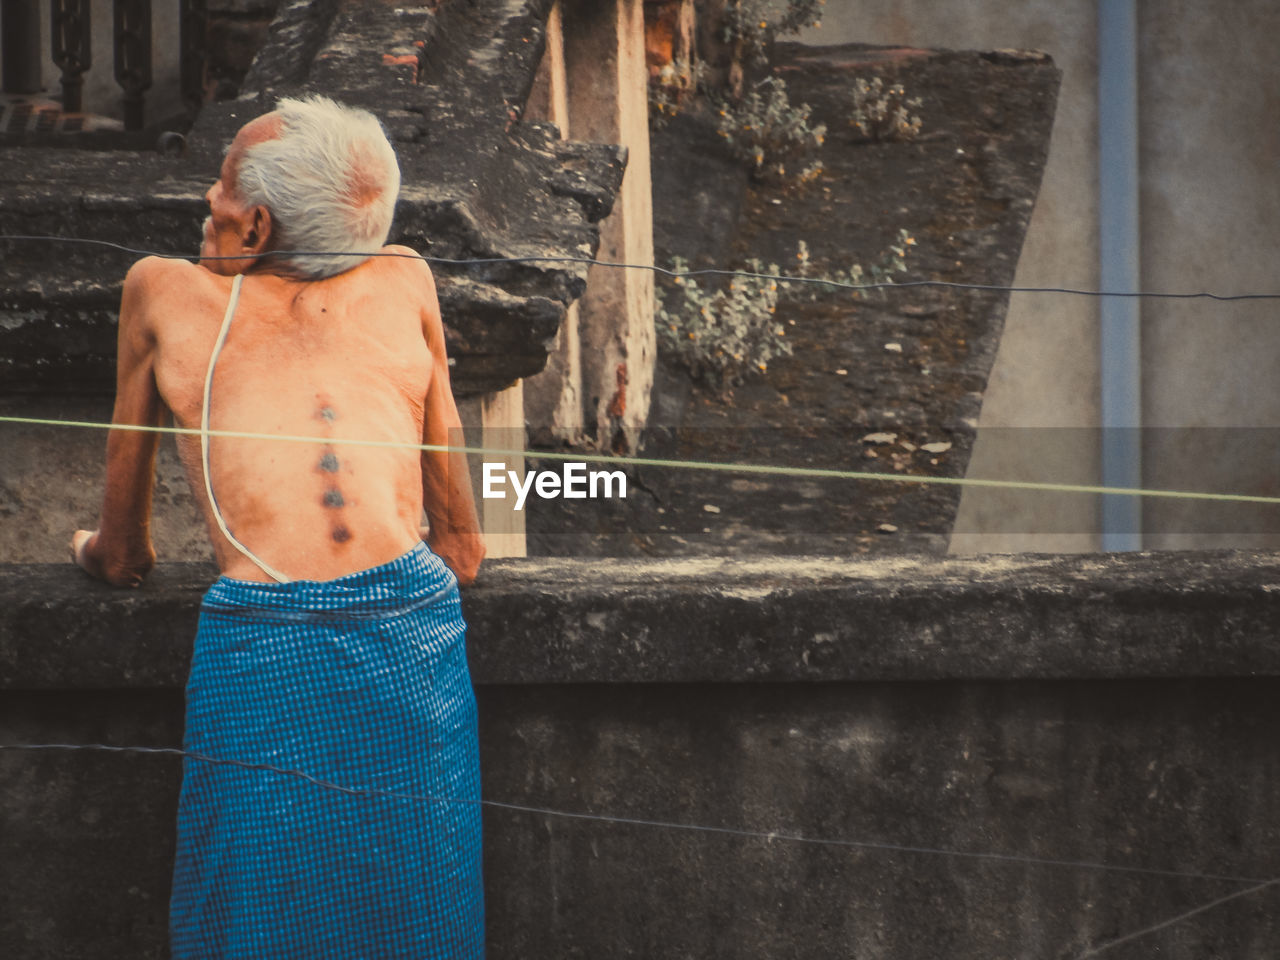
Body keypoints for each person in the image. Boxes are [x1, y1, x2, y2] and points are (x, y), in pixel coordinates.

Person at [70, 96, 486, 959]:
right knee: (418, 918)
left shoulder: (160, 292)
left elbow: (124, 558)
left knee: (254, 918)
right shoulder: (407, 275)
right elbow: (463, 549)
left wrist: (88, 551)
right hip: (411, 637)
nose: (207, 200)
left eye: (220, 183)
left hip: (264, 649)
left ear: (254, 227)